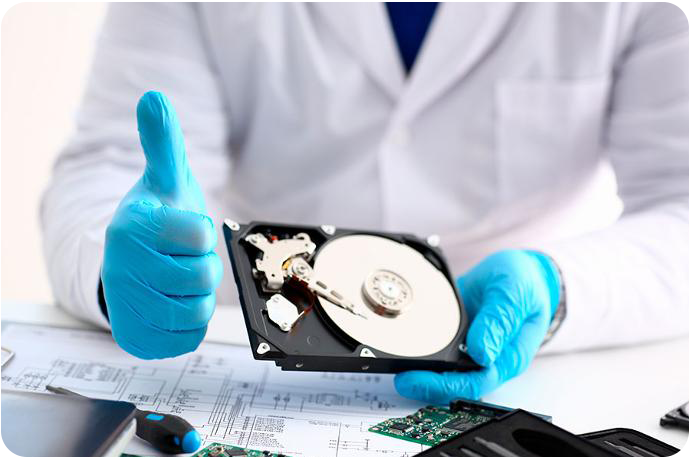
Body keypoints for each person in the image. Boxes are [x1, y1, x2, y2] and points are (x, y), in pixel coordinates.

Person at [42, 3, 688, 403]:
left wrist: (559, 287)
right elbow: (116, 166)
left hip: (533, 359)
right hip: (265, 340)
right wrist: (127, 269)